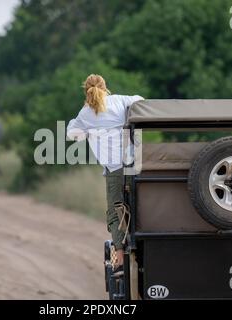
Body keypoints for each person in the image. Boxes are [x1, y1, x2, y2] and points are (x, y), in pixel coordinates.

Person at [67, 74, 144, 272]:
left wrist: (87, 132)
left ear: (86, 90)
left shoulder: (85, 113)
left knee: (116, 209)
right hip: (136, 165)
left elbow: (72, 134)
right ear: (105, 87)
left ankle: (119, 256)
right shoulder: (120, 100)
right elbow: (140, 100)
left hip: (115, 169)